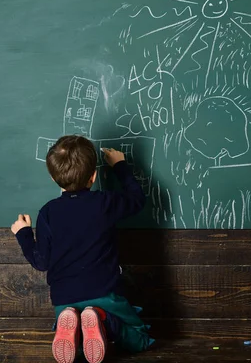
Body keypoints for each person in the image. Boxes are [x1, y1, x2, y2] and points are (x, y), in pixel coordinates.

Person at [10, 135, 153, 363]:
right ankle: (103, 320)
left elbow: (41, 262)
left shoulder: (48, 213)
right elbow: (137, 199)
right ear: (93, 176)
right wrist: (120, 166)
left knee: (76, 339)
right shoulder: (104, 202)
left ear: (53, 178)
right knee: (139, 337)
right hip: (105, 294)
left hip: (65, 300)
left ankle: (68, 324)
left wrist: (24, 233)